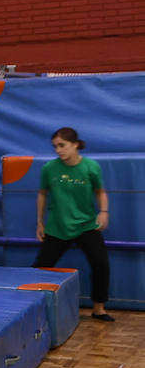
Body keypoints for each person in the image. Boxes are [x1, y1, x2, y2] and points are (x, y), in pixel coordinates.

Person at [35, 127, 113, 321]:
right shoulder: (49, 169)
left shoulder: (91, 167)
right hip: (58, 227)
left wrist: (103, 212)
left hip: (86, 225)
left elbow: (100, 191)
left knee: (101, 264)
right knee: (41, 267)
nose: (58, 150)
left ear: (75, 144)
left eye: (62, 145)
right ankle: (32, 307)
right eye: (55, 147)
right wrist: (39, 222)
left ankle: (99, 308)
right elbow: (42, 194)